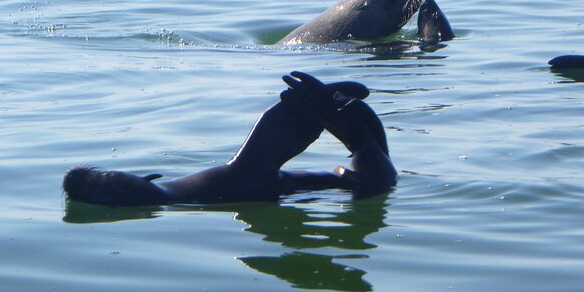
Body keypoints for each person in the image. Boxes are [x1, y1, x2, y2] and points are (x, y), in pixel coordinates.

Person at [63, 72, 397, 206]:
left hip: (360, 181)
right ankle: (346, 126)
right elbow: (249, 171)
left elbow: (248, 169)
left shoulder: (178, 192)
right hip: (369, 184)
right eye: (107, 191)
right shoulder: (181, 198)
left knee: (247, 172)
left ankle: (343, 123)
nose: (113, 184)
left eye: (108, 177)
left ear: (142, 174)